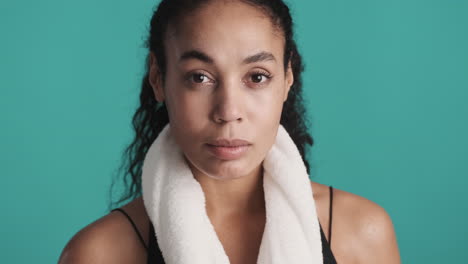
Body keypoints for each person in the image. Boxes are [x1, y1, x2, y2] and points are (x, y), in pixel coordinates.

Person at [58, 0, 401, 263]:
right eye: (199, 77)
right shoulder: (99, 253)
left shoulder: (361, 232)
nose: (229, 112)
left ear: (287, 78)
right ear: (157, 78)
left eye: (257, 76)